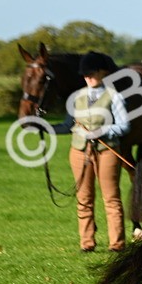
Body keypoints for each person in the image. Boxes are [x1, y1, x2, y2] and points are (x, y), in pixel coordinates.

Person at [53, 51, 130, 253]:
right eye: (85, 74)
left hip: (107, 151)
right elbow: (67, 125)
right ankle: (87, 243)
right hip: (79, 151)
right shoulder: (76, 97)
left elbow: (124, 126)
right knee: (83, 198)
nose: (87, 77)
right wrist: (44, 127)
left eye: (91, 73)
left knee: (111, 198)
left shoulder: (115, 97)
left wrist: (102, 131)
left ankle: (117, 244)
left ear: (103, 73)